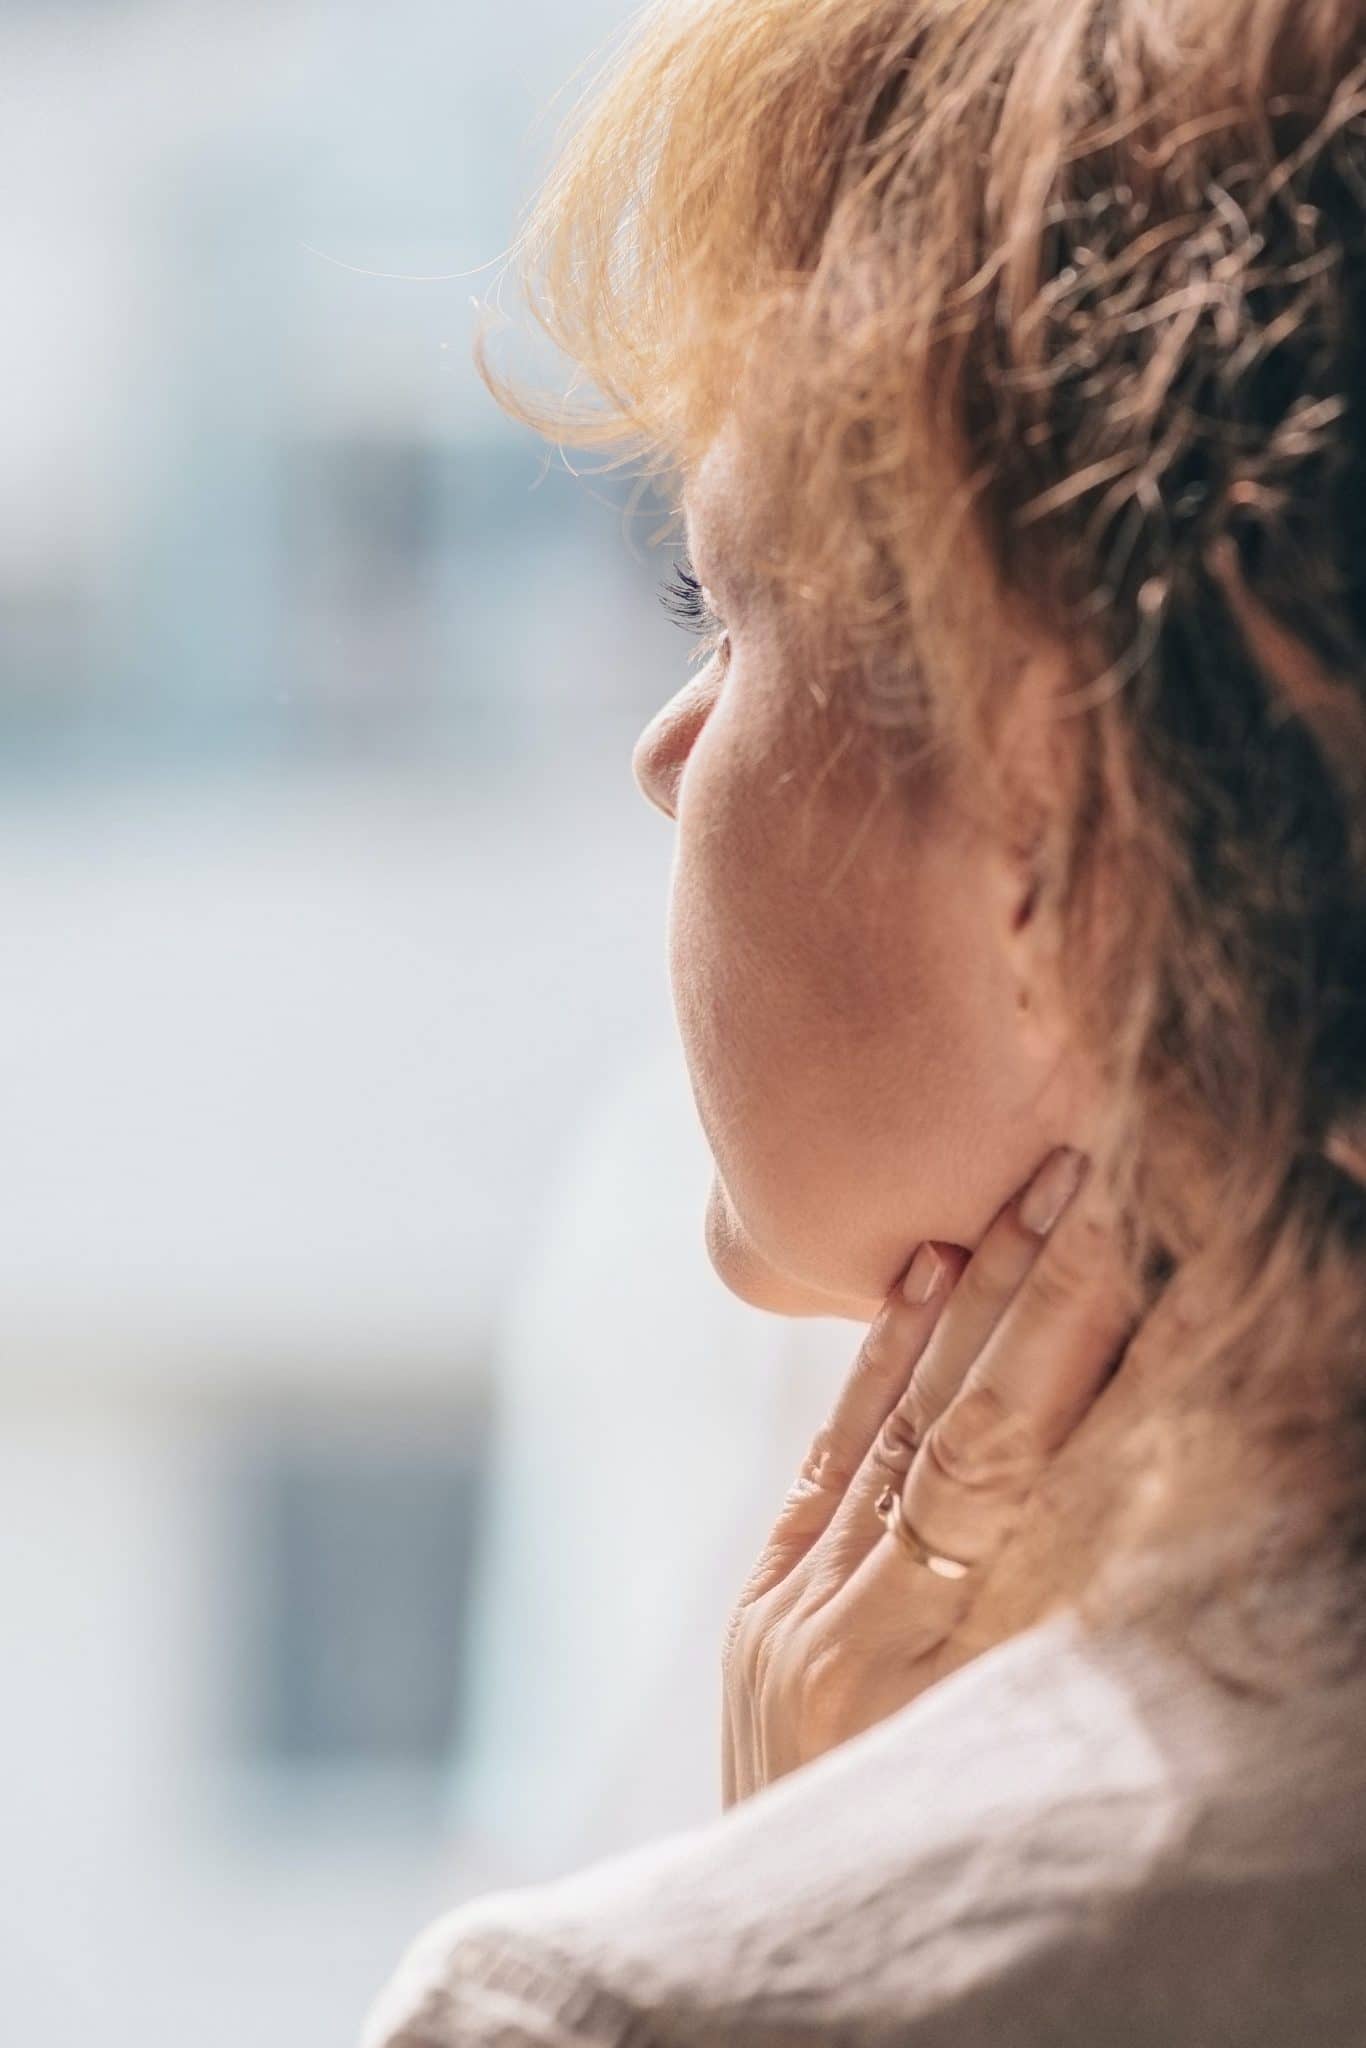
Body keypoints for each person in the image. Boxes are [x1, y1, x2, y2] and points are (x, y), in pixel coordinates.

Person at [363, 0, 1366, 2040]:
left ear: (1061, 793)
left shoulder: (615, 2011)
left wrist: (828, 1918)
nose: (665, 754)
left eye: (725, 605)